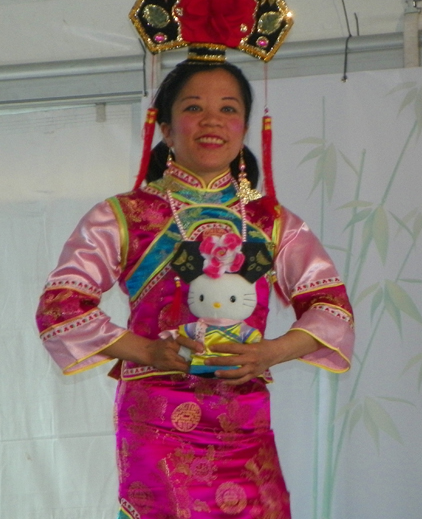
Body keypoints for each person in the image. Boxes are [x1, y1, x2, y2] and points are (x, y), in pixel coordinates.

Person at [36, 60, 354, 519]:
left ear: (244, 126)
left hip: (246, 426)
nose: (211, 120)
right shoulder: (123, 216)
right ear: (164, 126)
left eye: (228, 108)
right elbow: (60, 308)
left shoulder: (272, 221)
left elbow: (333, 308)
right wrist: (148, 352)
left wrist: (270, 352)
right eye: (193, 107)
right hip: (158, 424)